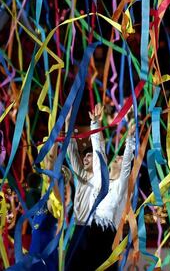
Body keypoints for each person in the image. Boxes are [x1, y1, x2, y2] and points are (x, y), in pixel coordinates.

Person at [85, 123, 136, 271]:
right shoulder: (101, 180)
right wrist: (94, 124)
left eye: (121, 157)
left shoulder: (121, 187)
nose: (118, 157)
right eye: (118, 156)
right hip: (89, 234)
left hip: (108, 238)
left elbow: (127, 163)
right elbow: (98, 154)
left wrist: (130, 139)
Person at [65, 104, 106, 270]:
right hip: (78, 228)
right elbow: (71, 149)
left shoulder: (99, 177)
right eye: (85, 157)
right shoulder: (80, 175)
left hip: (93, 231)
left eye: (89, 156)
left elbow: (99, 152)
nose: (86, 159)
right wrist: (68, 121)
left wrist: (95, 124)